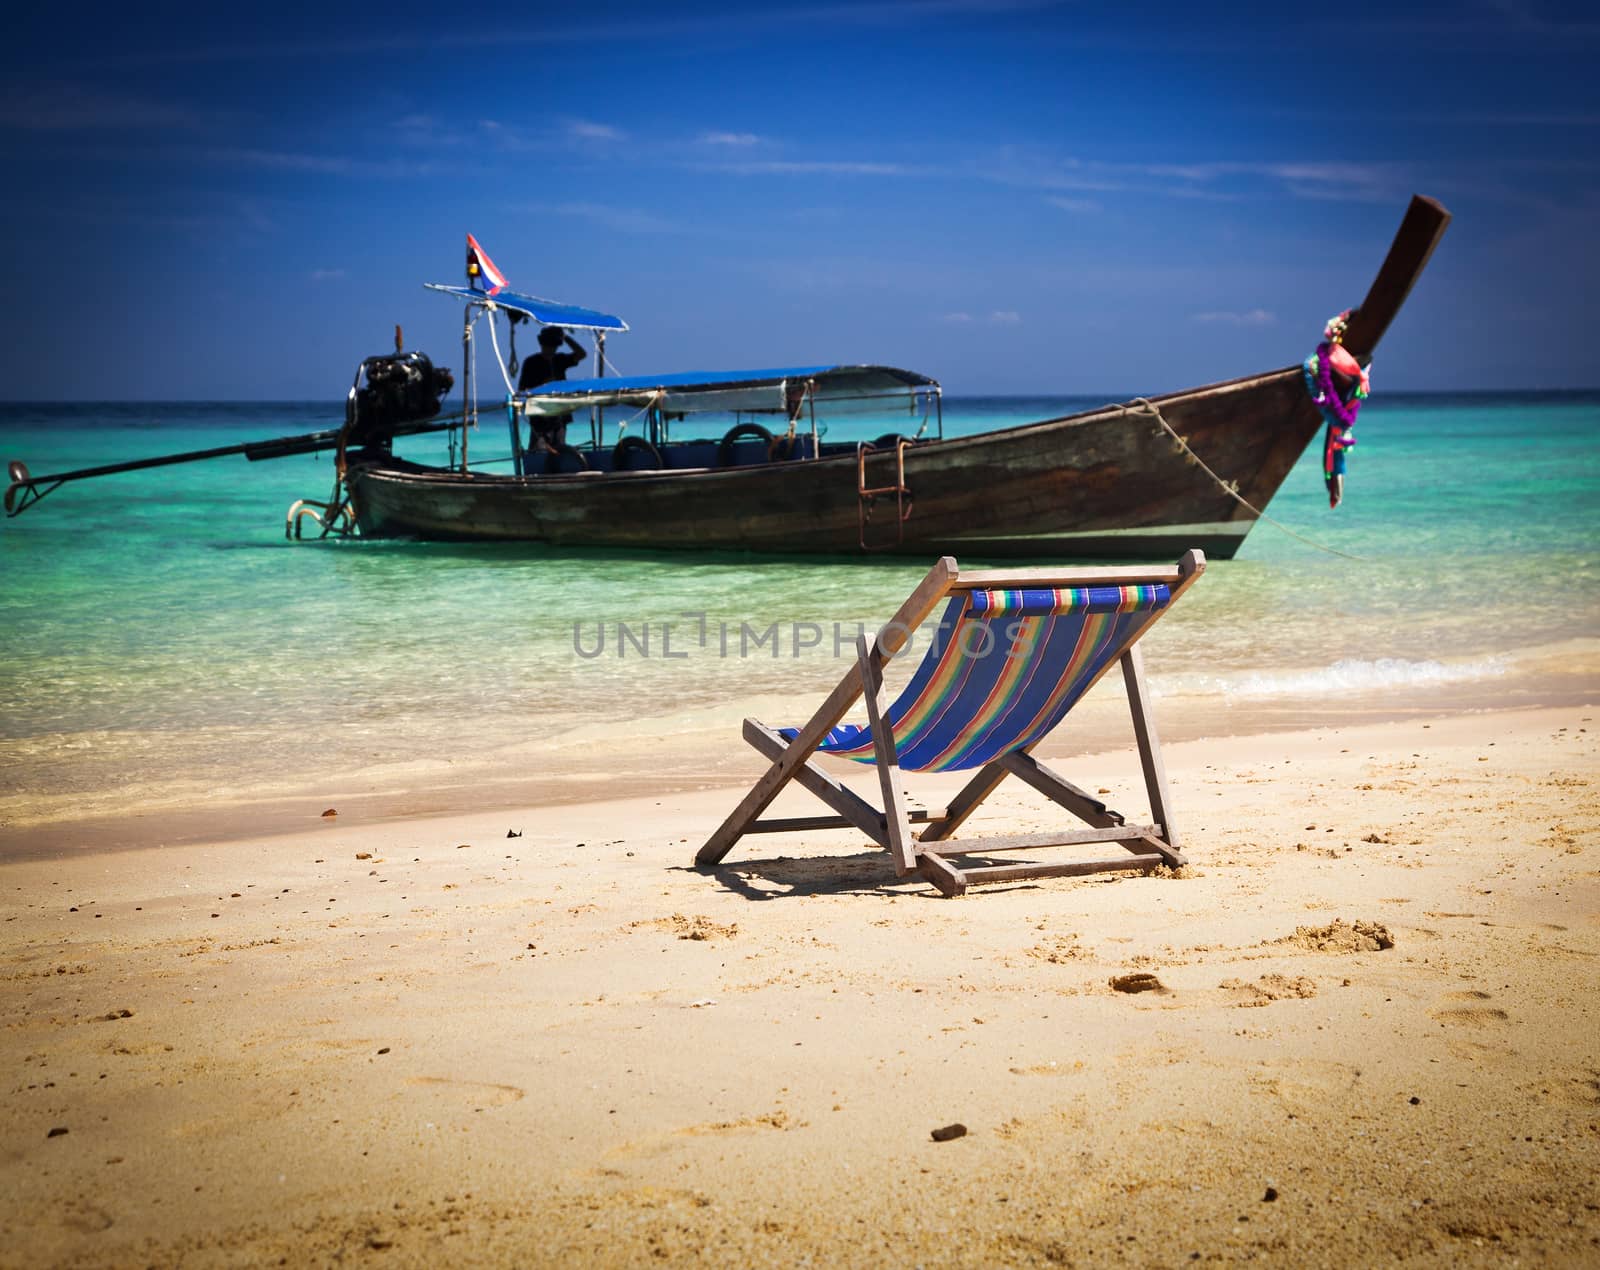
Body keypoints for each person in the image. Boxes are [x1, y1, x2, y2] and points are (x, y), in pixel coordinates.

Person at [517, 326, 587, 451]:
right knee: (538, 450)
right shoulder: (531, 362)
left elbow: (582, 354)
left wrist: (565, 337)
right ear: (541, 343)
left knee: (559, 451)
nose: (551, 349)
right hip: (539, 416)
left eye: (554, 345)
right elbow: (522, 389)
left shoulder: (560, 359)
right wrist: (542, 386)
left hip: (560, 415)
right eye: (548, 345)